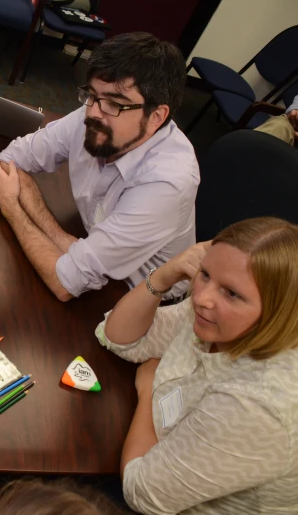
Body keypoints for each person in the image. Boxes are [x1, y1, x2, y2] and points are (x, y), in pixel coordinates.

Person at [96, 217, 298, 514]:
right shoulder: (216, 317)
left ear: (276, 311)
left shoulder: (256, 406)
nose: (201, 298)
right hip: (151, 448)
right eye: (204, 274)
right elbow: (120, 338)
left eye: (231, 293)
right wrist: (164, 276)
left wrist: (148, 390)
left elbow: (141, 493)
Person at [0, 32, 199, 302]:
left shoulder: (167, 184)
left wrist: (13, 208)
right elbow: (11, 160)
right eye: (91, 94)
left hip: (139, 297)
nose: (93, 113)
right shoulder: (97, 113)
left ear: (156, 116)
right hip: (88, 253)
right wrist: (66, 242)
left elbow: (65, 284)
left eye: (115, 103)